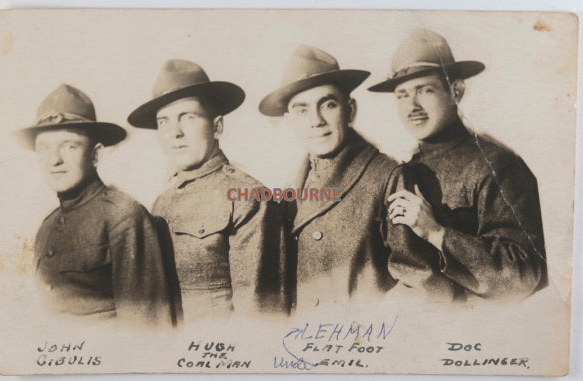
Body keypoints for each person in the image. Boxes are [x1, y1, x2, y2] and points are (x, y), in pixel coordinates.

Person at [368, 29, 548, 302]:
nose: (412, 106)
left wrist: (437, 233)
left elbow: (523, 274)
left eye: (425, 90)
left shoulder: (496, 166)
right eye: (402, 95)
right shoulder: (406, 169)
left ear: (456, 91)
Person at [128, 59, 288, 321]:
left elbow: (259, 316)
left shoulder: (248, 197)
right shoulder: (162, 202)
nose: (175, 132)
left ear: (217, 126)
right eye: (163, 121)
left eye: (188, 117)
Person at [259, 45, 406, 311]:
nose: (316, 121)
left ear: (349, 110)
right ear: (290, 119)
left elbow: (419, 281)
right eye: (302, 110)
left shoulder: (387, 176)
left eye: (327, 105)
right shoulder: (290, 191)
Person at [14, 84, 176, 325]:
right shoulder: (46, 228)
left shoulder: (123, 216)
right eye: (44, 148)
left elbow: (147, 331)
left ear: (95, 155)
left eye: (69, 146)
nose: (54, 160)